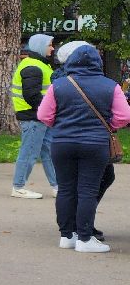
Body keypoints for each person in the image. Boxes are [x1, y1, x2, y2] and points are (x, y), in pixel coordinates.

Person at [39, 41, 129, 253]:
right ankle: (85, 238)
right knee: (87, 190)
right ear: (97, 62)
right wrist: (107, 126)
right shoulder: (111, 86)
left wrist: (61, 126)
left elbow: (44, 115)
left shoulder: (59, 85)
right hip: (95, 144)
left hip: (62, 143)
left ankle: (66, 236)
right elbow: (124, 116)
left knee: (66, 189)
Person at [10, 33, 58, 199]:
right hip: (34, 117)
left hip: (38, 117)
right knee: (30, 152)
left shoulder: (37, 64)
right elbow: (32, 96)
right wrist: (49, 111)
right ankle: (18, 187)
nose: (52, 48)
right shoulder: (33, 66)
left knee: (49, 152)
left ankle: (58, 186)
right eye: (49, 45)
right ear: (40, 46)